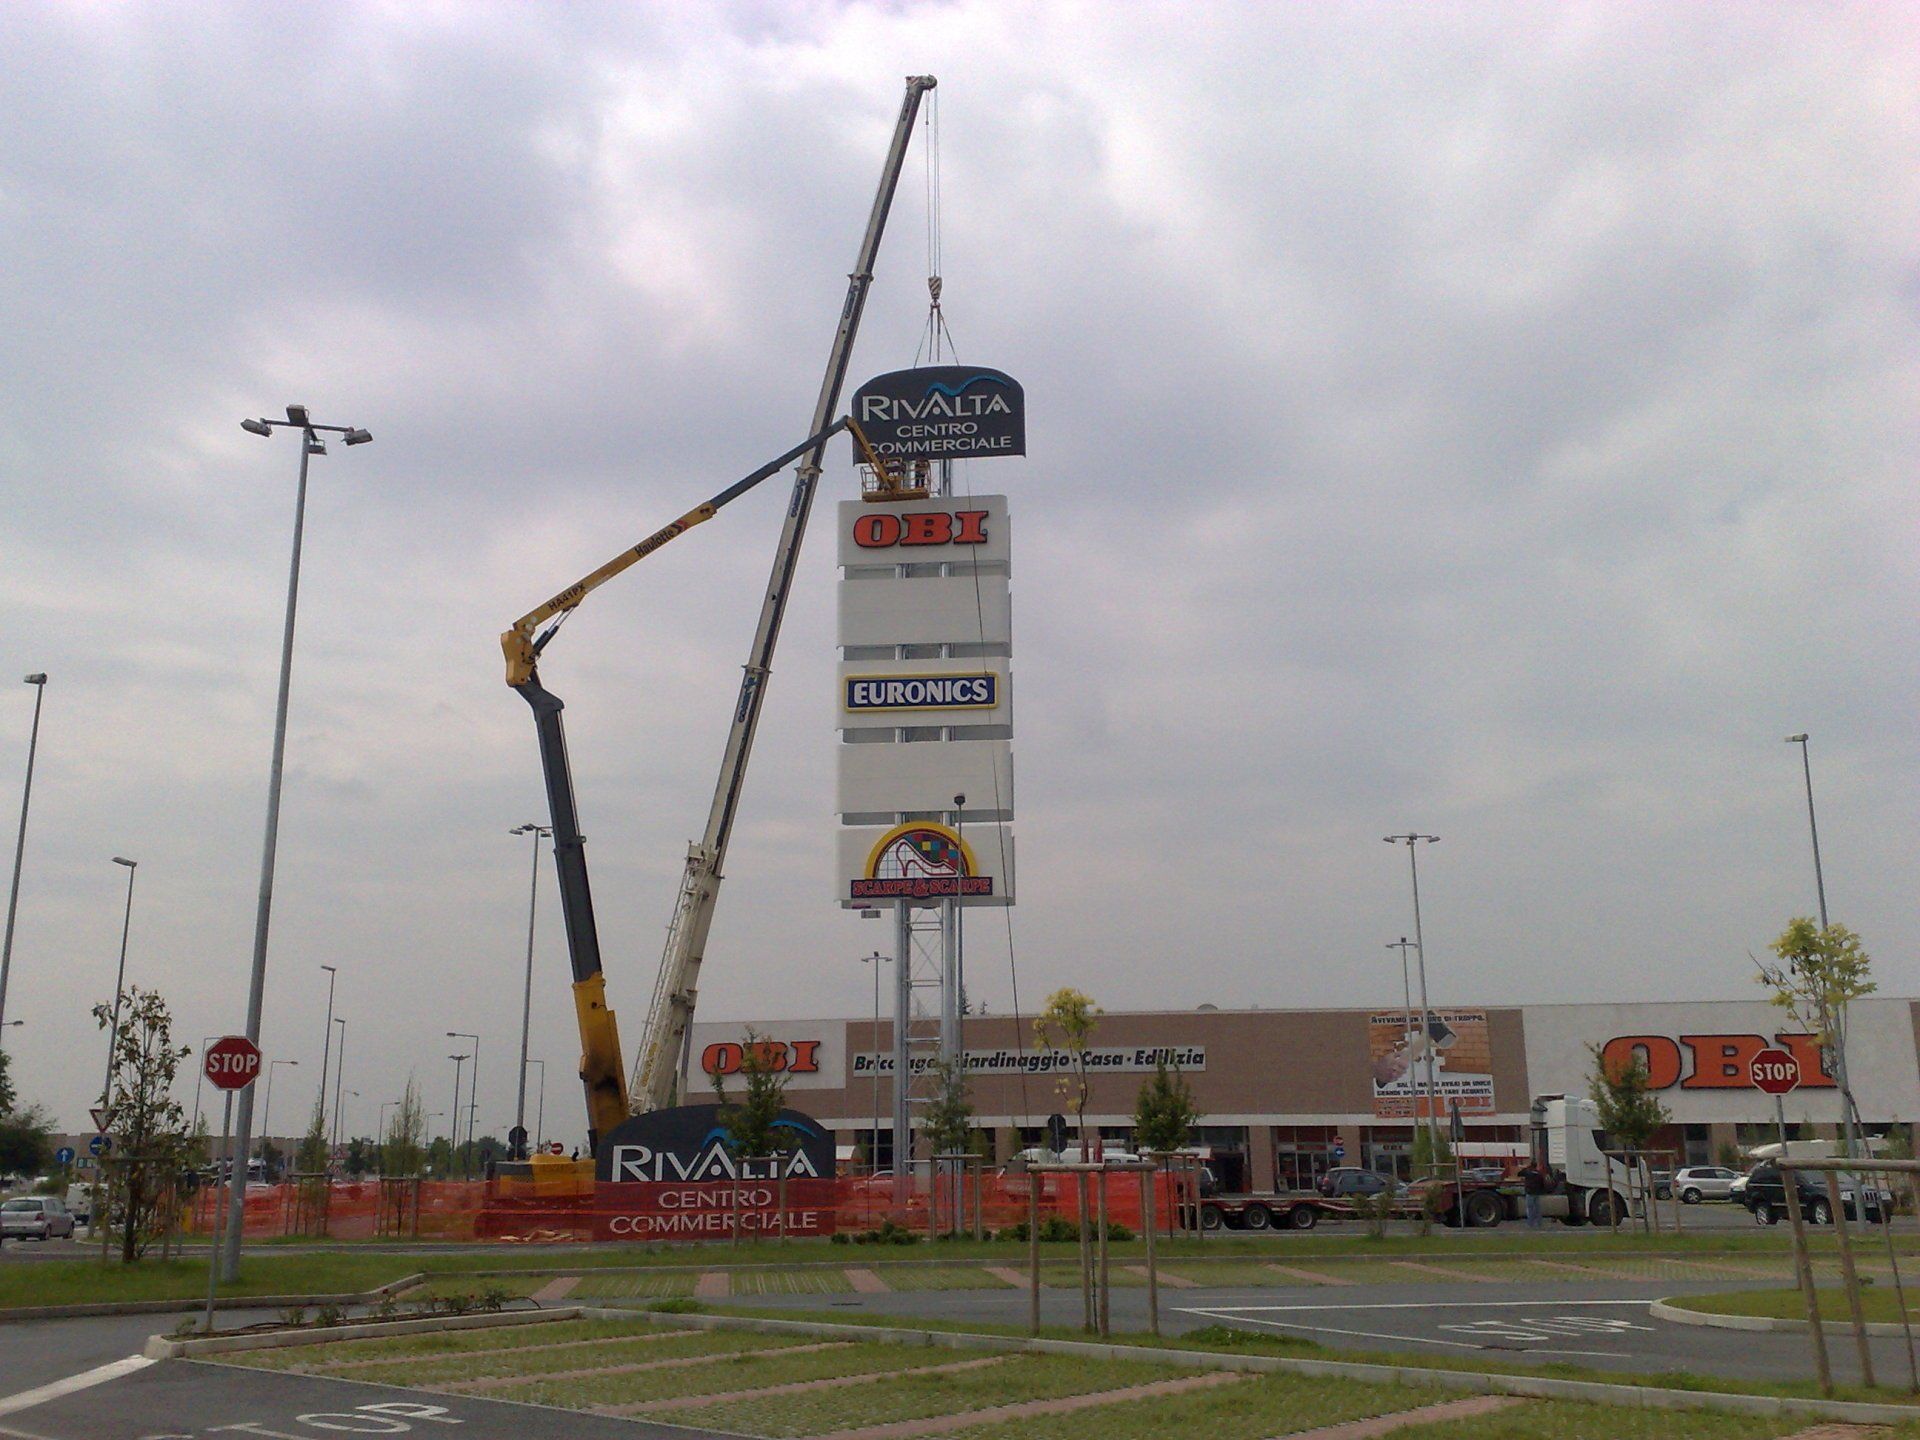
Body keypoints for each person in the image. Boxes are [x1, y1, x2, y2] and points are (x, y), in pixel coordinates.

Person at [1522, 1160, 1547, 1229]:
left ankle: (1530, 1224)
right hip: (1537, 1193)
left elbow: (1520, 1173)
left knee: (1530, 1209)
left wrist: (1526, 1167)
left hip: (1530, 1193)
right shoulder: (1539, 1174)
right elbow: (1542, 1184)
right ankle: (1539, 1224)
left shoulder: (1528, 1174)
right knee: (1537, 1209)